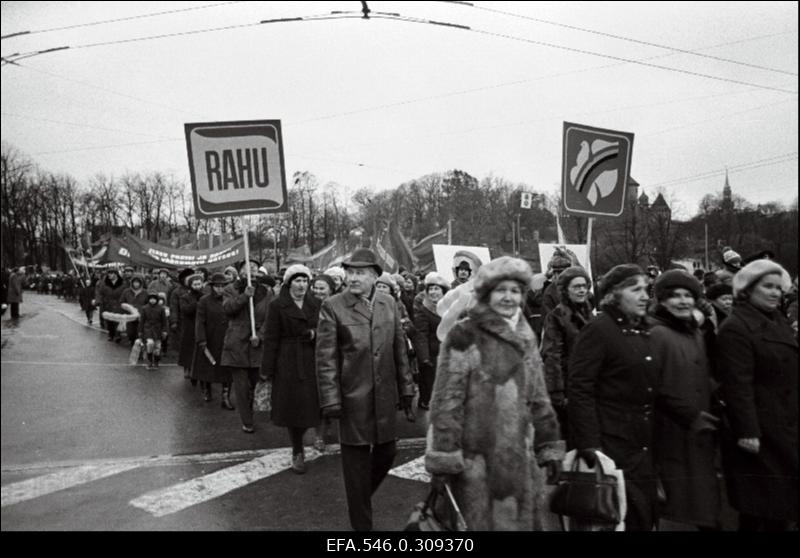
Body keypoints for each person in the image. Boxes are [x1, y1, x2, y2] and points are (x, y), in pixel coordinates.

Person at [568, 264, 718, 531]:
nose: (644, 296)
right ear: (613, 294)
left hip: (642, 444)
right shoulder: (600, 330)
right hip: (611, 444)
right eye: (634, 289)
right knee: (619, 516)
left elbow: (652, 388)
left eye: (645, 290)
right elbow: (580, 388)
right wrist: (590, 445)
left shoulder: (640, 330)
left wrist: (689, 416)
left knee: (642, 514)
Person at [425, 256, 565, 531]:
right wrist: (443, 459)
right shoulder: (463, 335)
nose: (508, 297)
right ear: (487, 293)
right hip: (475, 465)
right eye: (501, 290)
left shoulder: (525, 334)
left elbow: (538, 398)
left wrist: (548, 447)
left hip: (520, 463)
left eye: (515, 290)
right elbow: (446, 402)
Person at [316, 248, 415, 531]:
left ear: (374, 277)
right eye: (350, 272)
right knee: (356, 467)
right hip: (351, 400)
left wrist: (406, 388)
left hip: (384, 399)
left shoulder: (388, 303)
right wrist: (331, 400)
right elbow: (325, 359)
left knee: (387, 453)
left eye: (360, 273)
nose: (353, 278)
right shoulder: (333, 306)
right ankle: (362, 528)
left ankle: (357, 499)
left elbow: (399, 349)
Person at [716, 259, 797, 531]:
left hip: (783, 423)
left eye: (778, 288)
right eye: (768, 287)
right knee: (762, 508)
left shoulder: (776, 320)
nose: (775, 293)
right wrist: (747, 430)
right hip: (760, 432)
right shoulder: (736, 327)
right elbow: (737, 383)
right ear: (748, 290)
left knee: (778, 506)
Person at [648, 270, 721, 530]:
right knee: (679, 506)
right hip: (671, 431)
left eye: (688, 295)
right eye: (674, 296)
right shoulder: (656, 333)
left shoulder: (694, 332)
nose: (682, 301)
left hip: (698, 427)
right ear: (662, 301)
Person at [260, 265, 321, 473]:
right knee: (293, 408)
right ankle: (297, 449)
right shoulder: (277, 306)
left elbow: (327, 330)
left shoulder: (317, 304)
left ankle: (314, 436)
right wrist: (267, 368)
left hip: (311, 359)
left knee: (311, 405)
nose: (302, 285)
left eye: (305, 280)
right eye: (297, 280)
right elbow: (271, 338)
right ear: (289, 283)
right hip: (287, 361)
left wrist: (313, 334)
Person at [540, 266, 593, 447]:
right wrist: (557, 392)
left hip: (588, 386)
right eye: (576, 286)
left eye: (584, 286)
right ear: (565, 290)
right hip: (568, 388)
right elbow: (552, 354)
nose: (581, 290)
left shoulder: (589, 314)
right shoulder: (556, 316)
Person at [222, 260, 273, 434]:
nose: (251, 269)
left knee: (256, 383)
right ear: (240, 271)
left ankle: (254, 410)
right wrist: (244, 296)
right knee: (242, 387)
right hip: (237, 344)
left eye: (254, 267)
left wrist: (260, 336)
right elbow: (228, 309)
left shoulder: (267, 292)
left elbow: (270, 317)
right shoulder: (230, 289)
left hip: (257, 344)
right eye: (247, 267)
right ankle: (247, 420)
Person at [194, 273, 234, 410]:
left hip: (226, 338)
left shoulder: (230, 300)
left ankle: (225, 397)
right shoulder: (204, 301)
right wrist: (201, 339)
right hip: (210, 338)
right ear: (212, 287)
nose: (220, 289)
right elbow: (200, 321)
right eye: (217, 286)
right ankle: (206, 389)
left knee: (227, 368)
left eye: (222, 286)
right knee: (208, 366)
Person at [413, 272, 449, 411]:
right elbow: (421, 334)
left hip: (448, 353)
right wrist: (424, 358)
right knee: (430, 387)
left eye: (437, 289)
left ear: (443, 291)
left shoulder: (451, 308)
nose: (433, 292)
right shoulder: (424, 310)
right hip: (431, 355)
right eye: (430, 289)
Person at [179, 272, 206, 390]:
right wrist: (197, 303)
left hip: (201, 325)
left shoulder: (204, 296)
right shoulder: (185, 297)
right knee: (188, 348)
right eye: (195, 284)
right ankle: (187, 368)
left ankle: (199, 370)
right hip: (189, 326)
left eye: (199, 284)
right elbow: (185, 310)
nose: (197, 286)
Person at [139, 290, 168, 369]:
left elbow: (164, 321)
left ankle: (156, 362)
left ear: (157, 299)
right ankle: (149, 360)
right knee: (150, 344)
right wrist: (140, 331)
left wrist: (165, 330)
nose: (152, 300)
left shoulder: (161, 309)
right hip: (148, 329)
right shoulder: (144, 308)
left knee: (157, 347)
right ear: (148, 299)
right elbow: (142, 321)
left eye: (154, 299)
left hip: (158, 330)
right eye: (151, 299)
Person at [97, 268, 126, 342]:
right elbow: (100, 293)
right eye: (108, 273)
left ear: (116, 274)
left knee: (117, 320)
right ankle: (111, 334)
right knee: (109, 321)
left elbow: (126, 294)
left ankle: (117, 335)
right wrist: (99, 301)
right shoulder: (104, 283)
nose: (109, 275)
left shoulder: (123, 283)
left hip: (118, 305)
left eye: (111, 273)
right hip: (108, 304)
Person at [120, 274, 148, 346]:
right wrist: (126, 307)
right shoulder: (126, 291)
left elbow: (148, 304)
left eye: (138, 282)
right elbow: (122, 302)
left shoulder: (145, 292)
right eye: (134, 282)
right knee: (130, 332)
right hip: (130, 315)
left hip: (140, 316)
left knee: (139, 332)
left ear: (141, 283)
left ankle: (137, 345)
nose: (136, 284)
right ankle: (132, 341)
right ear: (132, 282)